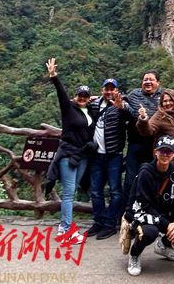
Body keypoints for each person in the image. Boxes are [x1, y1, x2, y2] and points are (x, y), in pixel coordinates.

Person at [125, 135, 174, 276]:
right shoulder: (145, 173)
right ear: (156, 152)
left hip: (164, 215)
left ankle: (164, 246)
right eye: (162, 151)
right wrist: (168, 225)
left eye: (169, 152)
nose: (165, 155)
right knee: (149, 232)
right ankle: (134, 254)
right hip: (143, 215)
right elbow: (144, 206)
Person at [45, 57, 93, 240]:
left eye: (85, 96)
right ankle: (65, 228)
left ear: (89, 98)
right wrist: (54, 76)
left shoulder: (89, 110)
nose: (82, 98)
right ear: (75, 96)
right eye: (80, 95)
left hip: (83, 156)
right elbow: (61, 93)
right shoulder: (68, 108)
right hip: (68, 154)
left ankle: (64, 225)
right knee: (68, 193)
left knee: (72, 190)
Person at [88, 77, 130, 240]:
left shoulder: (121, 103)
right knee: (95, 191)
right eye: (107, 89)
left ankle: (110, 224)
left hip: (114, 155)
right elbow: (79, 107)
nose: (109, 92)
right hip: (96, 155)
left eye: (112, 89)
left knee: (115, 191)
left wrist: (122, 106)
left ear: (117, 91)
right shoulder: (95, 104)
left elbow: (132, 115)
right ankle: (99, 221)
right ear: (102, 90)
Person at [123, 70, 163, 209]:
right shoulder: (134, 94)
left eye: (151, 79)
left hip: (154, 146)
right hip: (135, 144)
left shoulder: (164, 95)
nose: (148, 82)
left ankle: (149, 212)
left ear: (158, 83)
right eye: (145, 79)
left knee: (151, 180)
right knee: (130, 180)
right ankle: (127, 213)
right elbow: (121, 101)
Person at [136, 88, 174, 174]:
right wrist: (143, 118)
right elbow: (148, 131)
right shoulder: (160, 116)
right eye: (165, 101)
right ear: (161, 103)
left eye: (170, 100)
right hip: (165, 157)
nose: (168, 103)